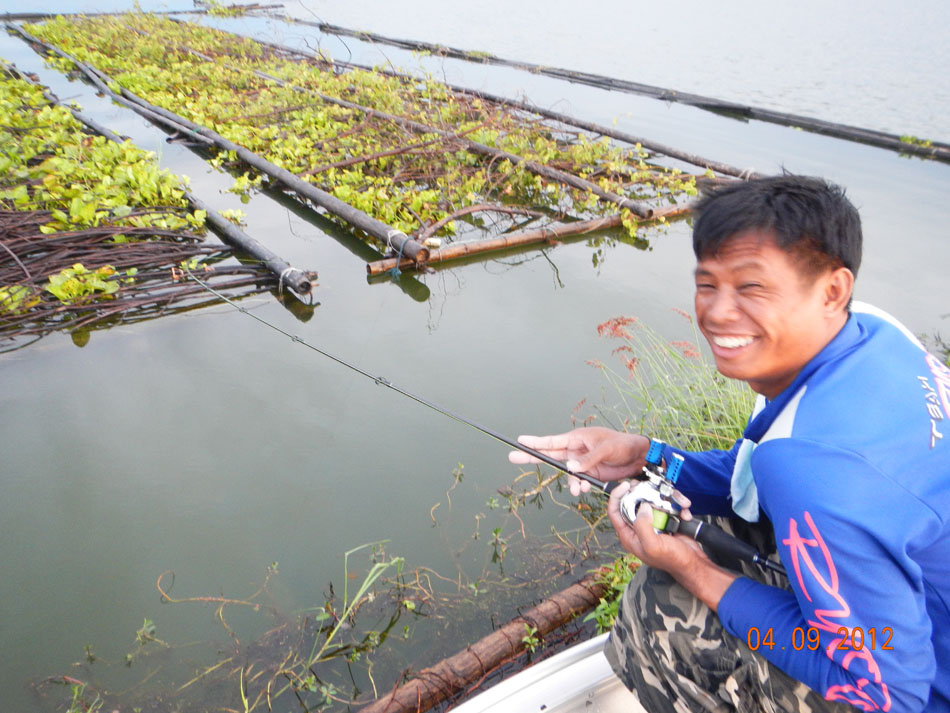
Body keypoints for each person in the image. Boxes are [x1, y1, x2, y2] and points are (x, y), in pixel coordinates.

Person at [509, 175, 949, 712]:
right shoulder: (875, 333)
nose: (717, 312)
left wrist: (697, 571)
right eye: (708, 283)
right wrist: (649, 456)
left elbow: (888, 689)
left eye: (752, 288)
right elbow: (758, 478)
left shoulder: (812, 471)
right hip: (917, 606)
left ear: (832, 290)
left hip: (917, 688)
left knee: (662, 605)